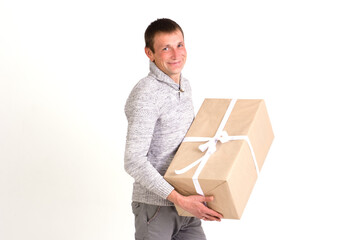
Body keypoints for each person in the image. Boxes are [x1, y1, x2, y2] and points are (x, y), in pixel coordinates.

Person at [124, 18, 223, 240]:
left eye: (179, 45)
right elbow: (133, 161)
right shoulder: (146, 93)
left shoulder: (184, 86)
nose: (176, 55)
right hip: (156, 208)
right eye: (165, 48)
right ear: (150, 53)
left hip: (187, 205)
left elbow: (188, 143)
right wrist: (179, 198)